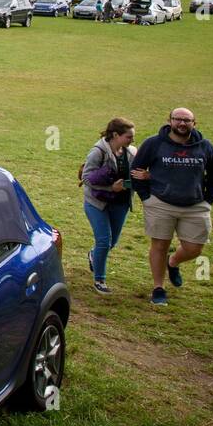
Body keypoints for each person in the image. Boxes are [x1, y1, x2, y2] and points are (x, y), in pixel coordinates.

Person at [131, 108, 213, 306]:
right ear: (170, 121)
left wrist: (209, 200)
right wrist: (146, 197)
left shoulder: (205, 147)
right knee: (159, 245)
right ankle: (158, 288)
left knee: (194, 248)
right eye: (178, 119)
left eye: (187, 120)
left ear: (194, 123)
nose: (182, 123)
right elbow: (136, 170)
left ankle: (172, 263)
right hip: (160, 203)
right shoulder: (154, 143)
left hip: (196, 205)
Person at [81, 118, 136, 295]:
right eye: (129, 136)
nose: (132, 140)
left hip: (120, 204)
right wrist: (110, 187)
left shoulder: (131, 152)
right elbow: (86, 178)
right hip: (97, 203)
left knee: (113, 241)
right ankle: (100, 279)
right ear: (115, 135)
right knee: (104, 241)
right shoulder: (97, 152)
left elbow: (132, 177)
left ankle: (93, 255)